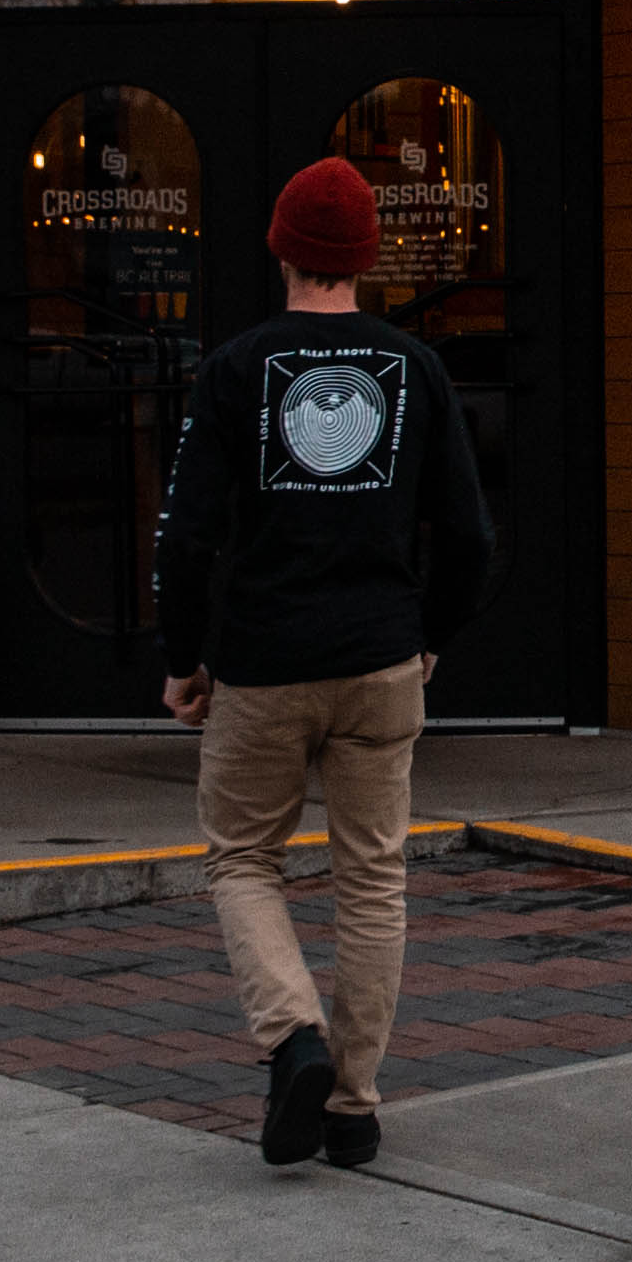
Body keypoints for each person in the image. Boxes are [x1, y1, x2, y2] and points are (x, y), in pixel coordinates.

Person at [153, 153, 496, 1167]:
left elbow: (185, 535)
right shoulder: (416, 369)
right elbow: (470, 536)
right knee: (373, 879)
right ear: (366, 259)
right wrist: (430, 634)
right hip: (382, 657)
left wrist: (182, 658)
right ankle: (352, 1107)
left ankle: (293, 1034)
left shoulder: (236, 369)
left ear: (282, 250)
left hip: (263, 659)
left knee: (241, 856)